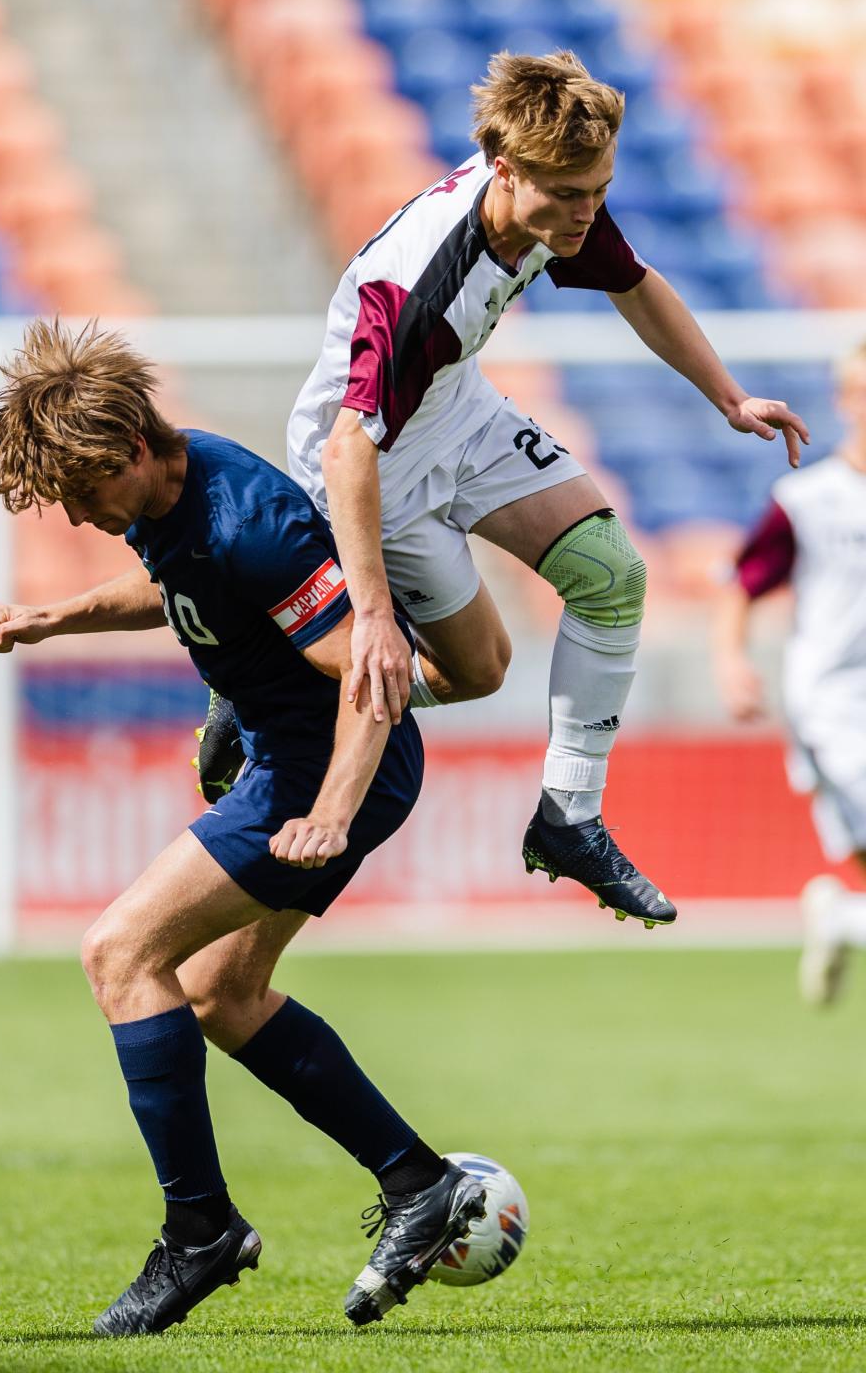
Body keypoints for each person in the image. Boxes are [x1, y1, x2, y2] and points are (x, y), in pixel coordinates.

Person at [0, 318, 487, 1334]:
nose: (78, 516)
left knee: (120, 952)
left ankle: (200, 1229)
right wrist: (58, 616)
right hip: (288, 764)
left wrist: (330, 810)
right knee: (218, 988)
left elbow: (369, 679)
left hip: (321, 773)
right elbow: (175, 584)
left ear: (126, 450)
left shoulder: (248, 519)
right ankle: (422, 1184)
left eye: (82, 493)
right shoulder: (166, 493)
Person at [286, 49, 810, 929]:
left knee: (613, 576)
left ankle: (569, 816)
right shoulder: (419, 286)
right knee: (480, 671)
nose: (585, 214)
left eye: (598, 190)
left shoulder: (559, 203)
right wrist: (373, 614)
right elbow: (348, 451)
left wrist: (728, 396)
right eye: (569, 195)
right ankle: (277, 673)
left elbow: (636, 286)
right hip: (375, 466)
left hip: (455, 409)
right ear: (504, 168)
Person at [715, 340, 866, 1004]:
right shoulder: (808, 499)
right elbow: (743, 582)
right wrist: (731, 658)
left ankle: (842, 918)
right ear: (847, 399)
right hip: (836, 707)